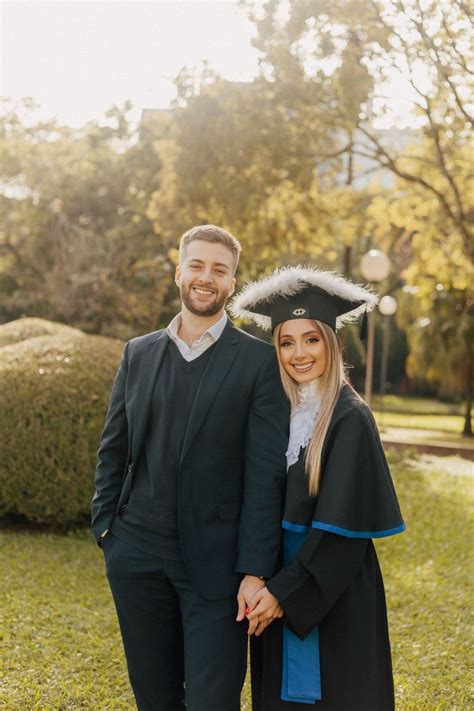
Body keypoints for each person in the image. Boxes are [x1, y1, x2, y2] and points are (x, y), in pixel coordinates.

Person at [91, 225, 288, 711]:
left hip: (218, 570)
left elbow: (266, 475)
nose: (206, 278)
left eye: (219, 270)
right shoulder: (138, 353)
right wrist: (106, 530)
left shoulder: (259, 364)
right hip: (135, 555)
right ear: (179, 272)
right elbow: (113, 449)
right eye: (196, 266)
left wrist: (255, 570)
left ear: (232, 282)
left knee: (212, 700)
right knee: (153, 697)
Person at [230, 266, 406, 710]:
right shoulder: (276, 414)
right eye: (286, 342)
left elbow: (341, 536)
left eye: (311, 339)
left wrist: (282, 595)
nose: (298, 353)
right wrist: (257, 577)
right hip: (275, 584)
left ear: (331, 341)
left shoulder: (350, 417)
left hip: (333, 595)